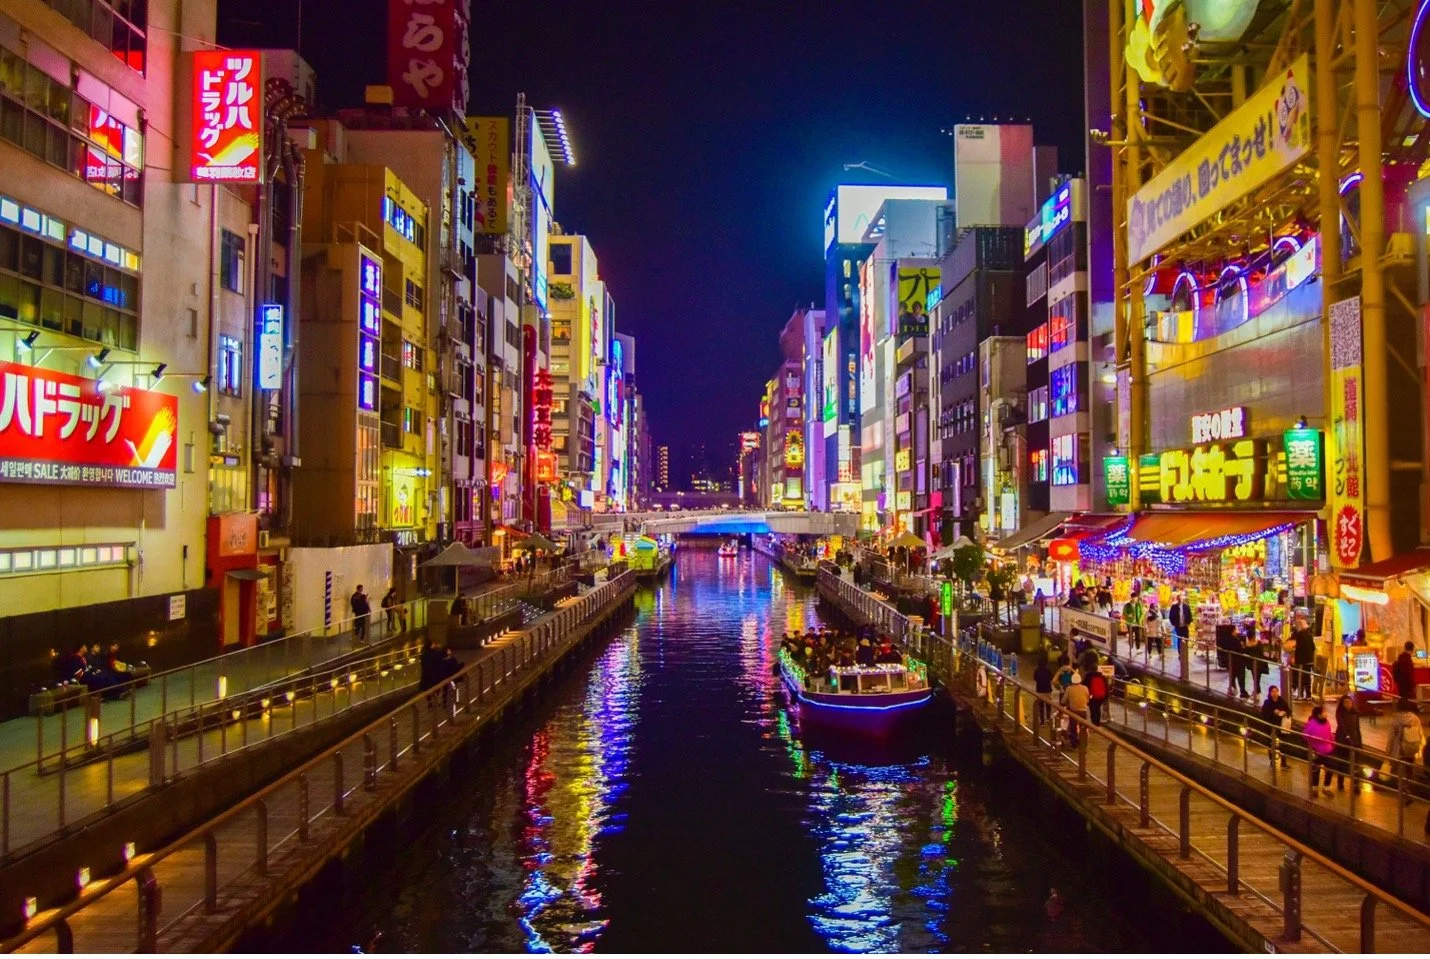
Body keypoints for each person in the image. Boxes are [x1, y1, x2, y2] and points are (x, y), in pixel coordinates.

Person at [1386, 699, 1425, 800]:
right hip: (1411, 748)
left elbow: (1391, 737)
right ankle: (1409, 792)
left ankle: (1404, 793)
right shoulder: (1415, 718)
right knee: (1409, 771)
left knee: (1399, 773)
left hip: (1399, 749)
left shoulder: (1395, 719)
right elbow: (1420, 734)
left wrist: (1388, 751)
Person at [1303, 705, 1336, 795]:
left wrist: (1332, 744)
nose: (1326, 714)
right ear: (1318, 714)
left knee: (1330, 769)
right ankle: (1314, 788)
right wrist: (1312, 746)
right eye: (1323, 712)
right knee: (1315, 770)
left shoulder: (1327, 722)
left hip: (1328, 749)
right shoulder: (1311, 723)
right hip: (1316, 750)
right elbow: (1305, 736)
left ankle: (1327, 787)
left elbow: (1329, 734)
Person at [1333, 694, 1363, 791]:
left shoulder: (1355, 713)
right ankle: (1340, 783)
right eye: (1346, 702)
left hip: (1354, 740)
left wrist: (1359, 741)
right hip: (1343, 739)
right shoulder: (1340, 713)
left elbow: (1357, 728)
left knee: (1356, 764)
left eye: (1350, 702)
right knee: (1342, 762)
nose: (1348, 704)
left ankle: (1356, 785)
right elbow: (1342, 726)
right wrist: (1348, 737)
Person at [1260, 686, 1292, 767]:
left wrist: (1284, 713)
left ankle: (1283, 762)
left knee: (1283, 744)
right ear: (1270, 693)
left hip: (1281, 726)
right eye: (1273, 692)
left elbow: (1288, 710)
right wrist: (1273, 713)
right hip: (1271, 727)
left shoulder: (1281, 701)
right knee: (1271, 744)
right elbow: (1264, 714)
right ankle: (1272, 761)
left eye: (1276, 691)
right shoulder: (1267, 703)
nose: (1275, 693)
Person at [1290, 614, 1316, 701]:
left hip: (1302, 660)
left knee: (1301, 677)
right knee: (1307, 678)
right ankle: (1308, 695)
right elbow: (1313, 647)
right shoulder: (1309, 635)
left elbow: (1299, 648)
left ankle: (1300, 695)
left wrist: (1295, 658)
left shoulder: (1300, 635)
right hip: (1309, 660)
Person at [1063, 674, 1090, 747]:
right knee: (1083, 728)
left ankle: (1074, 743)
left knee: (1073, 727)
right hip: (1083, 710)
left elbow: (1064, 701)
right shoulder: (1085, 688)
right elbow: (1087, 699)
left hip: (1073, 710)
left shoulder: (1069, 688)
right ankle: (1083, 743)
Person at [1033, 653, 1054, 728]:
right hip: (1048, 689)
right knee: (1048, 705)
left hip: (1040, 690)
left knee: (1041, 706)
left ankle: (1042, 722)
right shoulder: (1048, 670)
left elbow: (1035, 678)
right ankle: (1048, 718)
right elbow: (1051, 678)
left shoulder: (1037, 671)